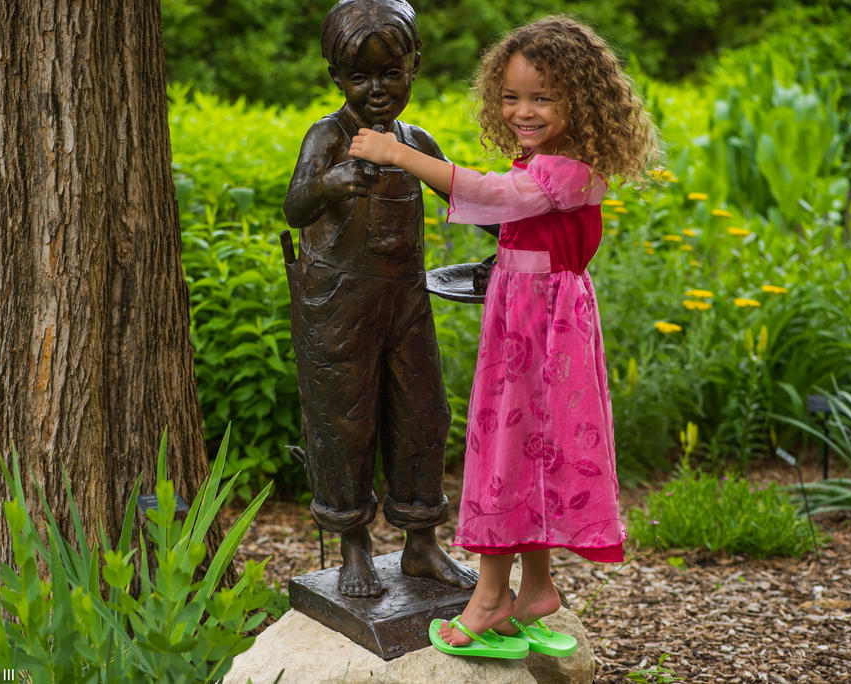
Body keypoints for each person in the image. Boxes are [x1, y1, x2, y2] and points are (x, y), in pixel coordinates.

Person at [349, 15, 660, 656]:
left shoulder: (566, 169)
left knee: (507, 451)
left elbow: (495, 196)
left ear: (582, 100)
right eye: (512, 96)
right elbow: (512, 212)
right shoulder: (553, 162)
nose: (522, 110)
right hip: (533, 315)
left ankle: (490, 598)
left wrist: (400, 154)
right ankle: (536, 588)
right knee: (530, 449)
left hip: (540, 327)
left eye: (542, 97)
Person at [282, 0, 478, 599]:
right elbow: (295, 206)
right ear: (336, 78)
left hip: (405, 303)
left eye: (391, 73)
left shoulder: (415, 141)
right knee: (344, 422)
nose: (377, 89)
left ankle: (421, 542)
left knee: (423, 414)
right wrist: (331, 181)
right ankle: (354, 546)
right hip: (337, 307)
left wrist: (515, 227)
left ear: (413, 67)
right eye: (360, 77)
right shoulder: (328, 136)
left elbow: (462, 193)